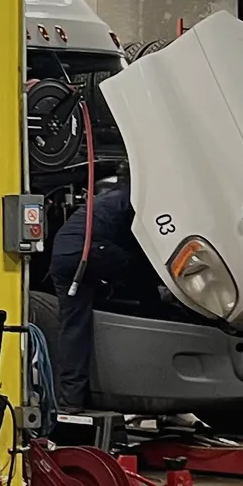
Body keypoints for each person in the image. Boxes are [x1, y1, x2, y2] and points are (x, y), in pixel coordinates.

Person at [43, 175, 151, 412]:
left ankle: (71, 399)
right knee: (142, 270)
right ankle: (153, 312)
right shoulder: (135, 200)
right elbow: (147, 243)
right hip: (88, 250)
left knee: (74, 326)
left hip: (63, 254)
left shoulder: (109, 198)